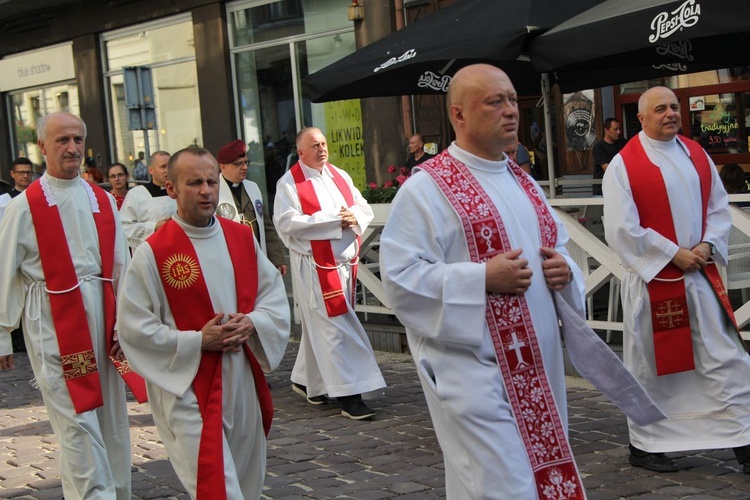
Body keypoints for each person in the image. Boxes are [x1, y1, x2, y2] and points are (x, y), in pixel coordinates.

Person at [380, 64, 588, 498]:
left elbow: (560, 247)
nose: (510, 111)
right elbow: (400, 278)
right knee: (501, 484)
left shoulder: (524, 183)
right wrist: (481, 278)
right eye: (495, 101)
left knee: (504, 482)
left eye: (512, 99)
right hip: (474, 371)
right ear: (458, 115)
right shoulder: (426, 189)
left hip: (538, 371)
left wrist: (565, 272)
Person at [118, 146, 290, 498]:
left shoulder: (240, 237)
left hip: (240, 377)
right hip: (186, 386)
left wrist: (254, 323)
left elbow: (273, 296)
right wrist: (198, 341)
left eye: (211, 181)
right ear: (171, 189)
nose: (206, 190)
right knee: (216, 487)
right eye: (194, 182)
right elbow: (134, 327)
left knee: (246, 482)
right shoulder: (154, 252)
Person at [603, 86, 750, 474]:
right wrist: (672, 253)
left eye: (674, 106)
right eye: (661, 109)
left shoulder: (696, 154)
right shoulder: (624, 164)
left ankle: (742, 438)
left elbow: (720, 208)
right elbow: (620, 227)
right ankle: (647, 445)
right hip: (658, 282)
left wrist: (705, 245)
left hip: (698, 275)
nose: (670, 113)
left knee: (727, 359)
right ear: (642, 117)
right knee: (655, 368)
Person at [0, 112, 145, 499]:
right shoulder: (24, 206)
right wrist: (1, 336)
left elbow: (121, 266)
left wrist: (126, 321)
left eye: (78, 140)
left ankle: (113, 489)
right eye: (62, 140)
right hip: (52, 318)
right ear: (43, 147)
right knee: (76, 420)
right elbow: (2, 271)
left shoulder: (101, 200)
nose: (72, 148)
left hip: (102, 315)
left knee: (110, 416)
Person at [274, 127, 386, 419]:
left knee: (321, 329)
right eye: (314, 145)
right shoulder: (289, 183)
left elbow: (362, 207)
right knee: (335, 330)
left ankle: (305, 379)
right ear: (300, 152)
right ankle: (351, 395)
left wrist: (354, 216)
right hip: (316, 268)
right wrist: (336, 219)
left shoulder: (340, 175)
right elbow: (287, 223)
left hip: (345, 266)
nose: (322, 149)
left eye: (324, 143)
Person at [216, 139, 288, 276]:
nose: (244, 167)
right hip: (230, 263)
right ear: (223, 166)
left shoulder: (253, 187)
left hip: (258, 258)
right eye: (238, 164)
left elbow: (267, 227)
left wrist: (277, 259)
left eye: (245, 163)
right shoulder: (213, 192)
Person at [120, 150, 175, 251]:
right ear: (151, 170)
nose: (167, 170)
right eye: (163, 167)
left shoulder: (180, 191)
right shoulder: (137, 194)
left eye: (170, 166)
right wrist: (154, 227)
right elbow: (123, 227)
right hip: (149, 252)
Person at [592, 117, 626, 196]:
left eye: (619, 129)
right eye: (615, 129)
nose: (619, 132)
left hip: (620, 190)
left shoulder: (622, 143)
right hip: (602, 191)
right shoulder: (599, 147)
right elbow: (607, 169)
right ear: (606, 130)